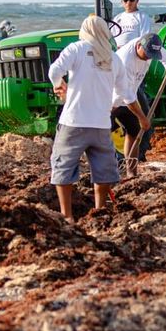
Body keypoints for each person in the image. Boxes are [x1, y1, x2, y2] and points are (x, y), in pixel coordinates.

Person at [48, 15, 127, 222]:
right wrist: (109, 106)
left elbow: (54, 70)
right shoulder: (114, 58)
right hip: (101, 125)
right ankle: (99, 211)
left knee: (63, 168)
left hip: (74, 122)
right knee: (103, 171)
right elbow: (122, 93)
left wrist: (59, 84)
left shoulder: (76, 49)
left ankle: (67, 215)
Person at [112, 33, 166, 171]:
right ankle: (106, 172)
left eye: (153, 55)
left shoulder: (150, 48)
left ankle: (131, 173)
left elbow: (163, 54)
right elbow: (127, 97)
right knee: (102, 137)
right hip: (110, 102)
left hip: (129, 97)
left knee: (133, 133)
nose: (149, 57)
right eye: (147, 53)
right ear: (139, 45)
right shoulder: (125, 60)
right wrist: (143, 118)